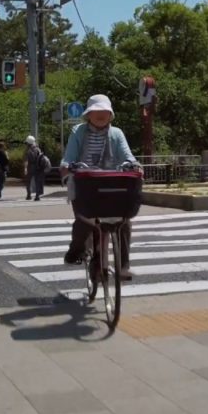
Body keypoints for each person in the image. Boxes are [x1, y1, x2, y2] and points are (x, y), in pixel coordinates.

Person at [60, 94, 138, 280]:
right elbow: (69, 157)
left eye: (104, 111)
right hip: (85, 183)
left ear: (110, 114)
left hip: (111, 183)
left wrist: (133, 164)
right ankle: (77, 249)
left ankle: (123, 265)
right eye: (96, 111)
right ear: (88, 115)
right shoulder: (78, 132)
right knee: (85, 221)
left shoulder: (117, 133)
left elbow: (127, 155)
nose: (100, 115)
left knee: (124, 221)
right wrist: (66, 166)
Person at [23, 135, 46, 201]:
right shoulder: (38, 149)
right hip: (38, 167)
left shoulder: (28, 150)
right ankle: (37, 196)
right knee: (37, 181)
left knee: (28, 181)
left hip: (30, 167)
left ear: (28, 143)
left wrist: (25, 168)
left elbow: (26, 160)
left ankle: (29, 195)